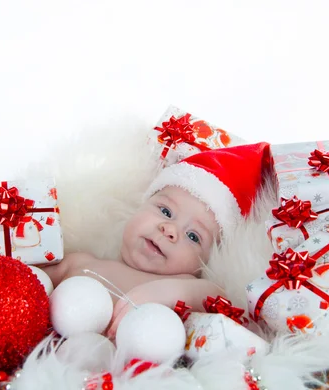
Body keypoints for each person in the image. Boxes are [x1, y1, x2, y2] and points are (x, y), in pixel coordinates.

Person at [41, 142, 270, 338]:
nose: (170, 229)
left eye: (193, 236)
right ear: (139, 208)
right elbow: (28, 275)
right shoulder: (81, 263)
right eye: (165, 211)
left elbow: (220, 296)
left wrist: (168, 293)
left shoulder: (189, 284)